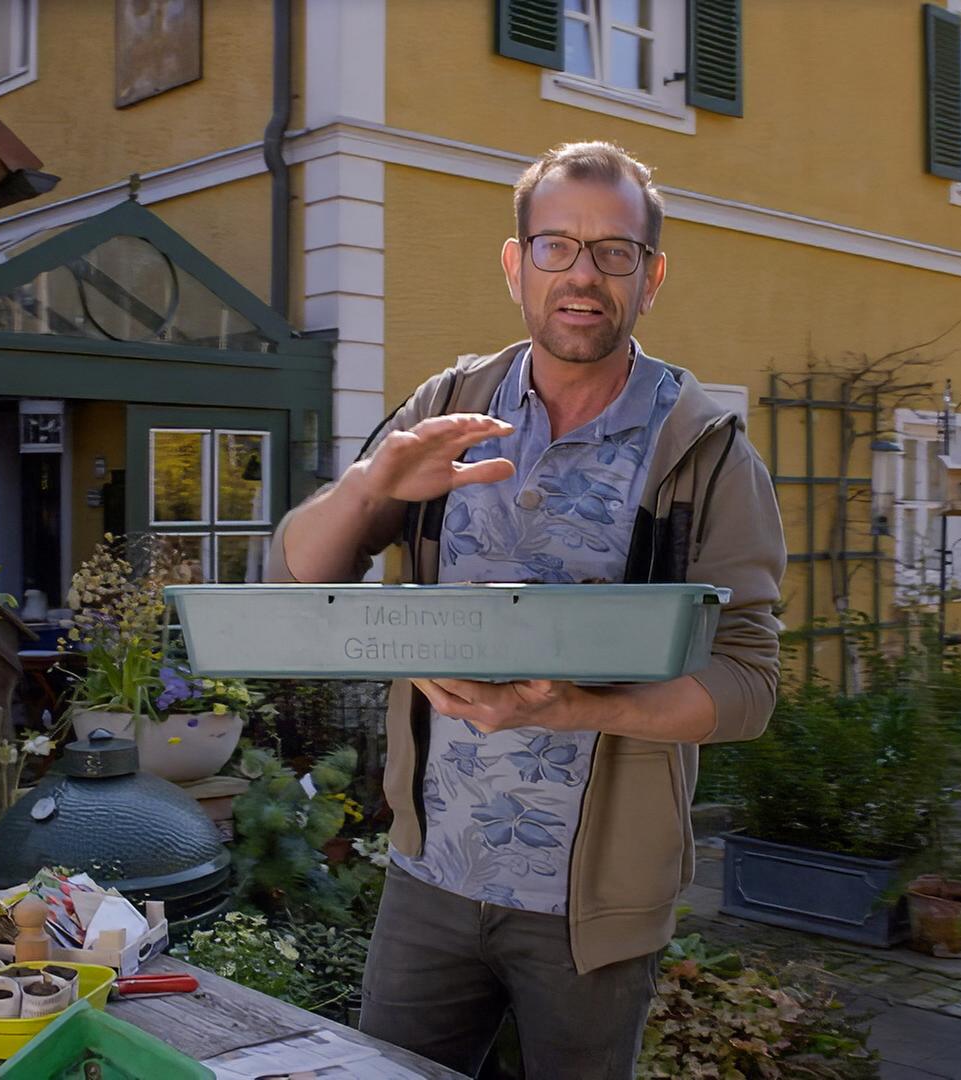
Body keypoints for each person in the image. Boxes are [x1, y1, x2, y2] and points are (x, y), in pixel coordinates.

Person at [264, 140, 786, 1078]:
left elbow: (747, 682)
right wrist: (369, 483)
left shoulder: (702, 449)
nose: (583, 275)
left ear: (651, 276)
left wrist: (572, 707)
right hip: (429, 878)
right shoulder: (447, 406)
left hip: (592, 908)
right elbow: (299, 574)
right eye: (556, 245)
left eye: (613, 251)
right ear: (516, 263)